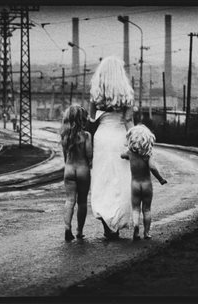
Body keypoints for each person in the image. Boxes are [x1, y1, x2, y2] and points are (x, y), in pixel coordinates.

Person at [89, 56, 135, 240]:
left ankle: (106, 222)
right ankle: (117, 220)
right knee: (120, 181)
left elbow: (91, 119)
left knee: (102, 179)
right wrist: (135, 142)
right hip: (119, 138)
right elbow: (129, 121)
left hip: (101, 137)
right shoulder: (126, 93)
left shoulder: (95, 92)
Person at [121, 125, 167, 241]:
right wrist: (160, 179)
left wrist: (127, 148)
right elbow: (152, 167)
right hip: (146, 185)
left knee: (135, 208)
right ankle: (146, 233)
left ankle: (136, 228)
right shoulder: (148, 154)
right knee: (146, 209)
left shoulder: (130, 153)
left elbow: (122, 155)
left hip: (135, 185)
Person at [60, 105, 93, 241]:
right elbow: (89, 155)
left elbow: (64, 155)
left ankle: (68, 228)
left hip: (68, 170)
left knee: (69, 201)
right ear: (82, 119)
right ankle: (79, 231)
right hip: (82, 170)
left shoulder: (64, 135)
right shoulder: (86, 136)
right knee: (82, 202)